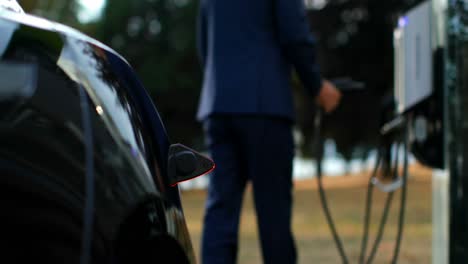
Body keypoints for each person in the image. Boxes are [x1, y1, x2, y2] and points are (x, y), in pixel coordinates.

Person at [196, 0, 342, 263]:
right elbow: (293, 35)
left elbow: (204, 42)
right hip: (264, 105)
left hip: (219, 103)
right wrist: (317, 85)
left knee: (220, 212)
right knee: (273, 214)